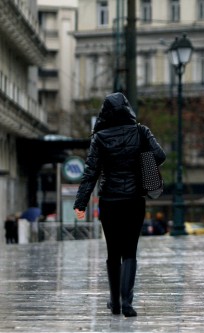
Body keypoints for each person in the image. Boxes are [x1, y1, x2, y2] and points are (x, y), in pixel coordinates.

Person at [73, 92, 166, 317]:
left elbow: (91, 172)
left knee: (113, 252)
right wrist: (140, 154)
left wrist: (81, 202)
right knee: (130, 252)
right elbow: (160, 156)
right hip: (134, 200)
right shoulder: (141, 131)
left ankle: (114, 302)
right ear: (127, 108)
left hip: (110, 201)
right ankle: (127, 303)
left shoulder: (100, 137)